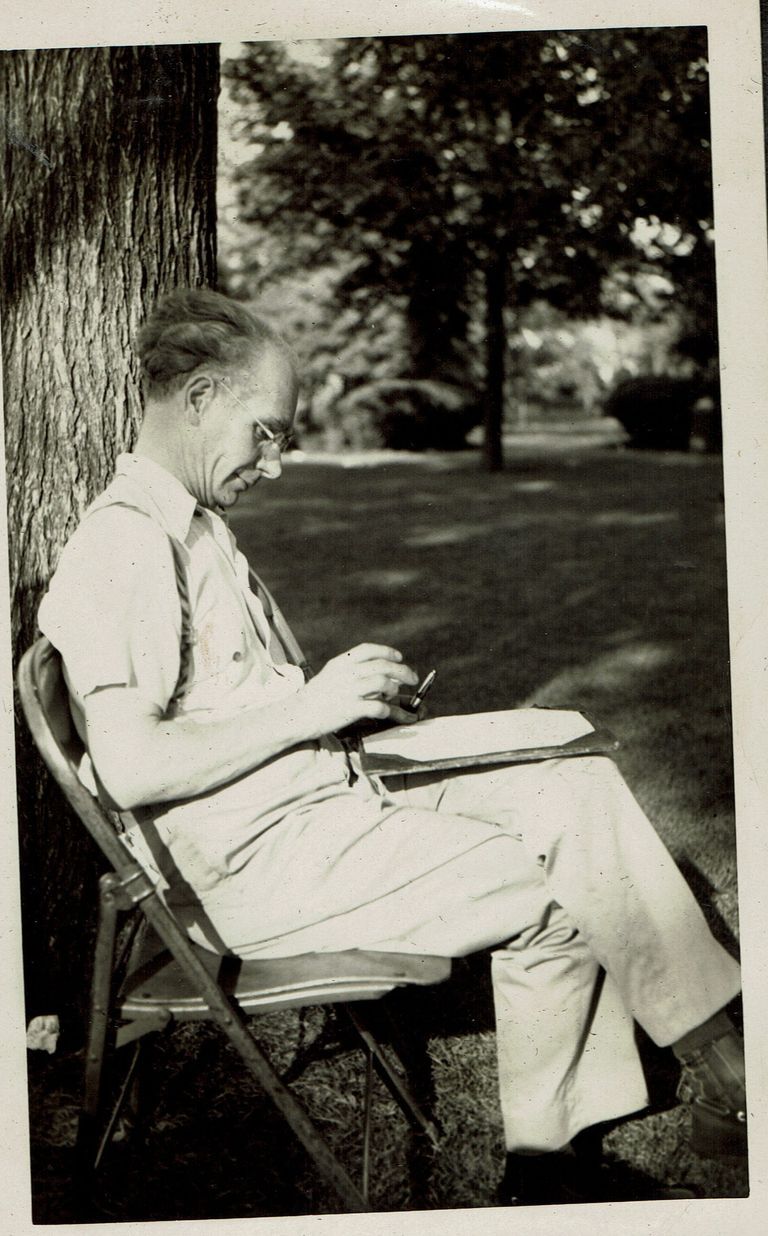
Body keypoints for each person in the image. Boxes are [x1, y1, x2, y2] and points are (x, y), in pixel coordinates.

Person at [38, 288, 747, 1206]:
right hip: (250, 869)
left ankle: (718, 1066)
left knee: (571, 775)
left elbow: (223, 705)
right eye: (266, 433)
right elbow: (132, 768)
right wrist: (310, 709)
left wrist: (340, 704)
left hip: (307, 800)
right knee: (565, 885)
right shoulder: (126, 546)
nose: (276, 463)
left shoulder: (193, 526)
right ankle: (563, 1162)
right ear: (201, 398)